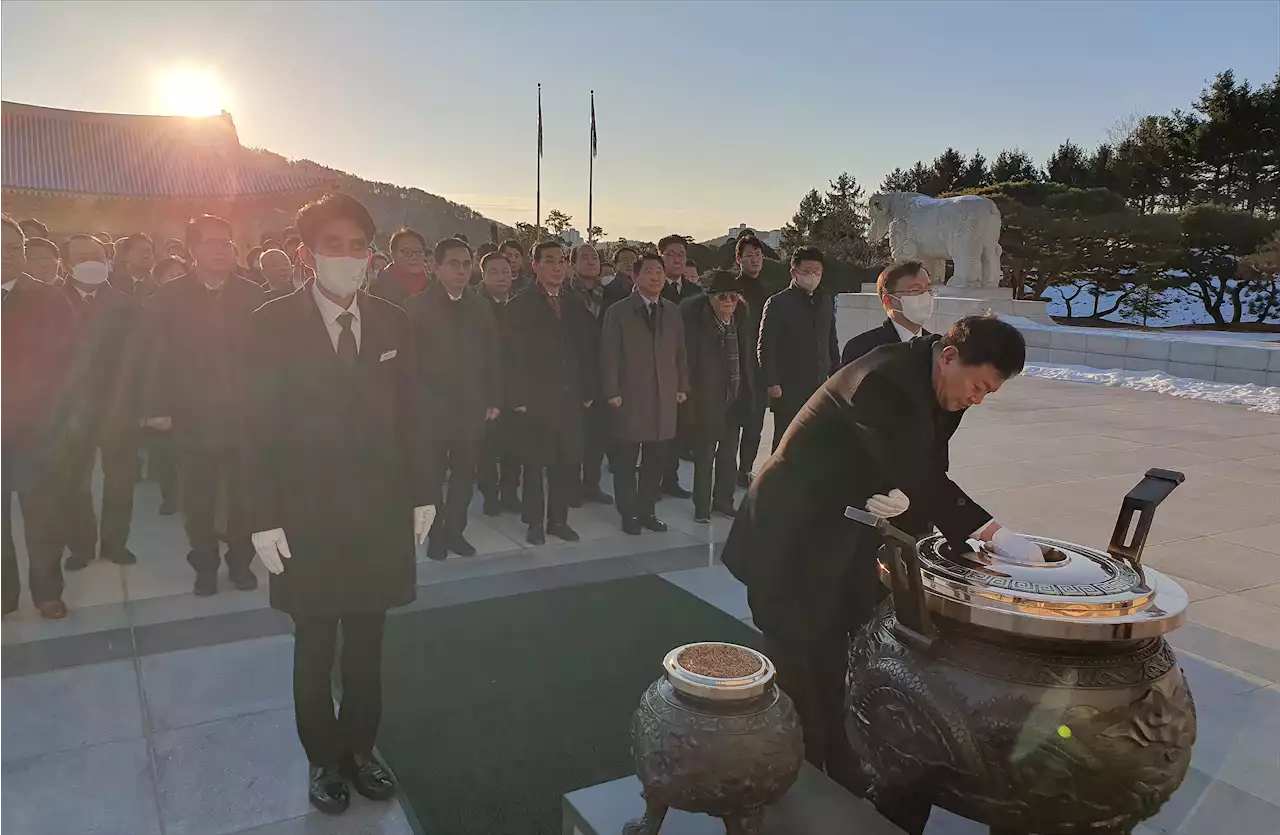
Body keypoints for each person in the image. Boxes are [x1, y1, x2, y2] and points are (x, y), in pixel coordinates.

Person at [722, 316, 1038, 830]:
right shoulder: (885, 379)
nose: (978, 399)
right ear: (950, 356)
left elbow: (923, 471)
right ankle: (791, 793)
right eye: (978, 386)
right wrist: (992, 532)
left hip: (844, 534)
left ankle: (839, 777)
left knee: (837, 663)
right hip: (791, 537)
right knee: (801, 667)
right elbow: (916, 471)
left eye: (989, 393)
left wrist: (923, 525)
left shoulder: (941, 387)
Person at [245, 193, 438, 816]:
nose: (349, 258)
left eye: (359, 247)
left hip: (378, 509)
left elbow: (412, 414)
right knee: (314, 639)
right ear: (307, 254)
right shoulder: (270, 323)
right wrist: (261, 516)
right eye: (334, 245)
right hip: (306, 513)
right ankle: (323, 758)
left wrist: (422, 494)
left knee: (368, 638)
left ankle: (360, 748)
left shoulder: (391, 321)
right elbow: (253, 427)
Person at [142, 215, 263, 596]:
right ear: (192, 249)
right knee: (198, 497)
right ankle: (205, 564)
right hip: (191, 413)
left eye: (226, 242)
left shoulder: (252, 294)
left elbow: (272, 356)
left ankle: (241, 562)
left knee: (245, 494)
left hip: (244, 414)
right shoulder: (168, 296)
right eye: (211, 242)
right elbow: (152, 355)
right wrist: (156, 405)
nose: (221, 249)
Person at [0, 215, 78, 620]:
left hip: (36, 427)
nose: (6, 257)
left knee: (42, 513)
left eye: (14, 249)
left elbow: (69, 362)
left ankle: (48, 590)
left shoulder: (48, 297)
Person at [405, 238, 501, 559]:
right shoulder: (416, 307)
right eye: (454, 264)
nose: (462, 270)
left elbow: (492, 355)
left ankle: (455, 532)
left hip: (470, 406)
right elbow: (409, 363)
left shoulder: (480, 306)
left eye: (466, 264)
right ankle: (435, 535)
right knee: (431, 477)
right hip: (430, 408)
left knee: (463, 475)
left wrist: (493, 398)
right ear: (436, 266)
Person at [56, 235, 144, 571]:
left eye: (96, 254)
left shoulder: (127, 304)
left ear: (108, 259)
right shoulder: (50, 303)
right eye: (80, 256)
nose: (89, 261)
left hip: (119, 407)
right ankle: (80, 546)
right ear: (66, 263)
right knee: (73, 481)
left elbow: (142, 357)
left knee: (120, 480)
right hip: (70, 412)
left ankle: (115, 543)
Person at [505, 241, 594, 545]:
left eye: (562, 261)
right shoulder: (519, 304)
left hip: (569, 397)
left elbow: (587, 351)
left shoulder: (575, 304)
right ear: (535, 266)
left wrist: (587, 389)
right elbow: (510, 355)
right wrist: (516, 396)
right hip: (535, 398)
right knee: (534, 463)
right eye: (550, 261)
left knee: (565, 461)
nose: (557, 267)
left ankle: (558, 520)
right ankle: (534, 523)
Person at [600, 253, 689, 535]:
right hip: (630, 394)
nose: (655, 277)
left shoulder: (673, 311)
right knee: (626, 460)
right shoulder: (618, 311)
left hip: (663, 395)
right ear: (635, 277)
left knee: (656, 459)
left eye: (659, 272)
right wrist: (611, 390)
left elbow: (680, 353)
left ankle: (647, 510)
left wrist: (682, 385)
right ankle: (629, 514)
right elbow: (608, 355)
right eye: (649, 272)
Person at [679, 270, 754, 522]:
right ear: (710, 298)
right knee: (704, 457)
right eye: (723, 296)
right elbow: (688, 364)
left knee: (728, 456)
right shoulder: (697, 324)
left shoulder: (741, 321)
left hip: (734, 400)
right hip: (706, 400)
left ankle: (724, 501)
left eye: (733, 296)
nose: (729, 301)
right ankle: (702, 506)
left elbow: (747, 362)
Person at [758, 246, 838, 451]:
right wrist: (771, 381)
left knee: (814, 440)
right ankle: (776, 482)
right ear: (794, 272)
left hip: (819, 383)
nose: (812, 276)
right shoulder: (778, 303)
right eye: (807, 271)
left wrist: (836, 373)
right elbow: (766, 345)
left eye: (817, 272)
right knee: (786, 440)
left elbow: (831, 339)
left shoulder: (825, 300)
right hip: (788, 386)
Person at [476, 251, 522, 516]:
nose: (501, 277)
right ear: (482, 274)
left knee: (513, 445)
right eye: (494, 272)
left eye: (505, 271)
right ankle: (490, 494)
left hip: (513, 387)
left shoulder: (518, 305)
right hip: (482, 388)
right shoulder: (473, 304)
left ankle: (509, 492)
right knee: (485, 447)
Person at [569, 243, 614, 506]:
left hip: (603, 374)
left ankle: (592, 484)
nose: (590, 262)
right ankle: (571, 486)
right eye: (584, 258)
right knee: (574, 437)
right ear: (573, 264)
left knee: (598, 436)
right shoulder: (563, 296)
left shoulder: (612, 296)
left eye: (595, 257)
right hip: (573, 376)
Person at [656, 235, 700, 497]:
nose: (677, 259)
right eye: (671, 254)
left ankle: (670, 479)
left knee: (678, 428)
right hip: (658, 367)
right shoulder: (654, 288)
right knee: (657, 429)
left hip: (687, 368)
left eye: (681, 254)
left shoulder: (696, 292)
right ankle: (654, 478)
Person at [731, 235, 771, 487]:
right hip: (735, 363)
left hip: (759, 365)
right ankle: (727, 468)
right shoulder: (732, 289)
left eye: (757, 254)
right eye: (748, 255)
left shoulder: (768, 290)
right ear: (738, 259)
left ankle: (745, 469)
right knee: (732, 423)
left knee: (755, 423)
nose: (754, 259)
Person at [841, 260, 934, 366]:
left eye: (929, 289)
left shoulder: (936, 346)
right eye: (915, 290)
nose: (926, 296)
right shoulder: (862, 349)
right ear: (888, 301)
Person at [368, 227, 429, 306]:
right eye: (406, 252)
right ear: (393, 255)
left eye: (418, 252)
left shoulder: (432, 288)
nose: (414, 256)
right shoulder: (378, 288)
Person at [110, 233, 157, 299]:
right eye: (142, 251)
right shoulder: (111, 282)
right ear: (125, 255)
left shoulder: (158, 285)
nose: (146, 256)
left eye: (149, 252)